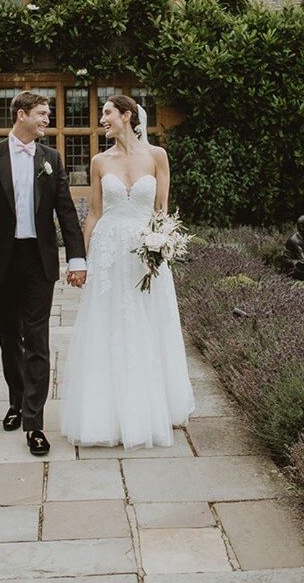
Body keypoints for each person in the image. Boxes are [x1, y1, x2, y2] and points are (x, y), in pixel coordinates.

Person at [61, 95, 194, 449]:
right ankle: (107, 412)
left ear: (127, 116)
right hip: (109, 253)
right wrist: (81, 260)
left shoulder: (157, 157)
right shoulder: (99, 161)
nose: (101, 119)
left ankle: (153, 408)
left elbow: (163, 210)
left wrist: (163, 243)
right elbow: (94, 213)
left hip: (146, 252)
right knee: (109, 324)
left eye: (106, 113)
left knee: (149, 323)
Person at [0, 91, 86, 457]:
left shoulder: (51, 158)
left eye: (48, 114)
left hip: (38, 260)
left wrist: (77, 258)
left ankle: (34, 423)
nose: (47, 120)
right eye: (42, 114)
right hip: (2, 260)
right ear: (21, 115)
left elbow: (66, 211)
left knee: (37, 339)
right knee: (8, 337)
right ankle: (16, 400)